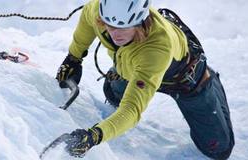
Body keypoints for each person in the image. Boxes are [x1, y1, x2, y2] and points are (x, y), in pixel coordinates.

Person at [55, 0, 235, 159]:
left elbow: (132, 110)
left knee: (218, 149)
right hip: (134, 70)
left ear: (140, 21)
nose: (115, 34)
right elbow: (87, 19)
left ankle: (210, 83)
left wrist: (95, 135)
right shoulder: (99, 11)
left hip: (185, 82)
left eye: (124, 27)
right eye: (110, 25)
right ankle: (123, 73)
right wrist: (74, 58)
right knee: (112, 93)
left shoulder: (157, 47)